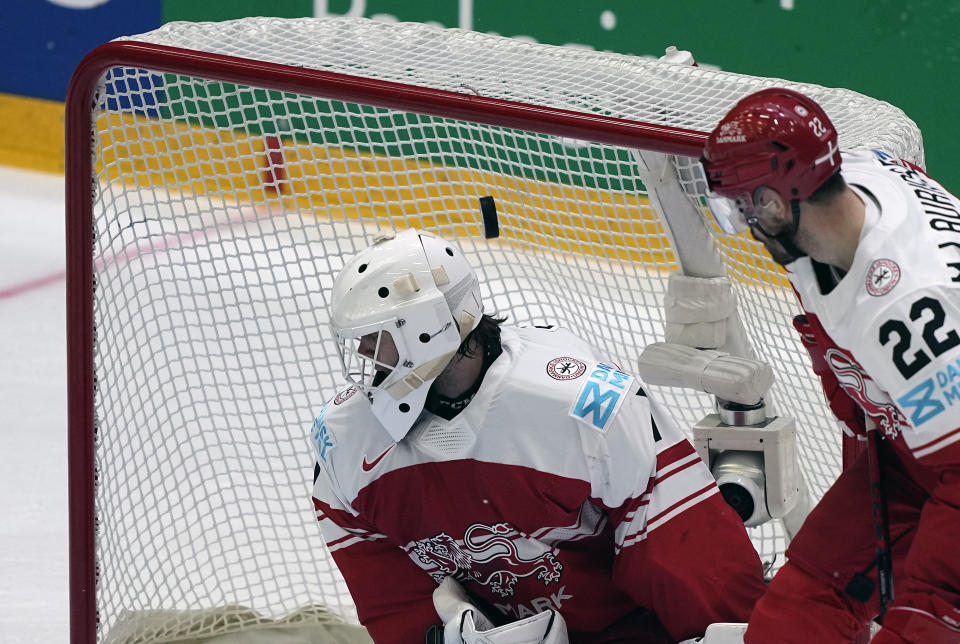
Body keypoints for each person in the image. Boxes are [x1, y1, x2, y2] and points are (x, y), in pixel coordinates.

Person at [309, 228, 765, 644]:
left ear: (430, 327)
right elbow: (392, 597)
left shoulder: (580, 406)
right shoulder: (347, 440)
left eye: (376, 335)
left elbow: (689, 553)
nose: (365, 352)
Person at [701, 87, 960, 643]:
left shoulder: (906, 305)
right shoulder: (849, 188)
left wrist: (931, 608)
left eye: (739, 209)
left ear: (771, 202)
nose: (742, 225)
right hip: (920, 453)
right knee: (798, 616)